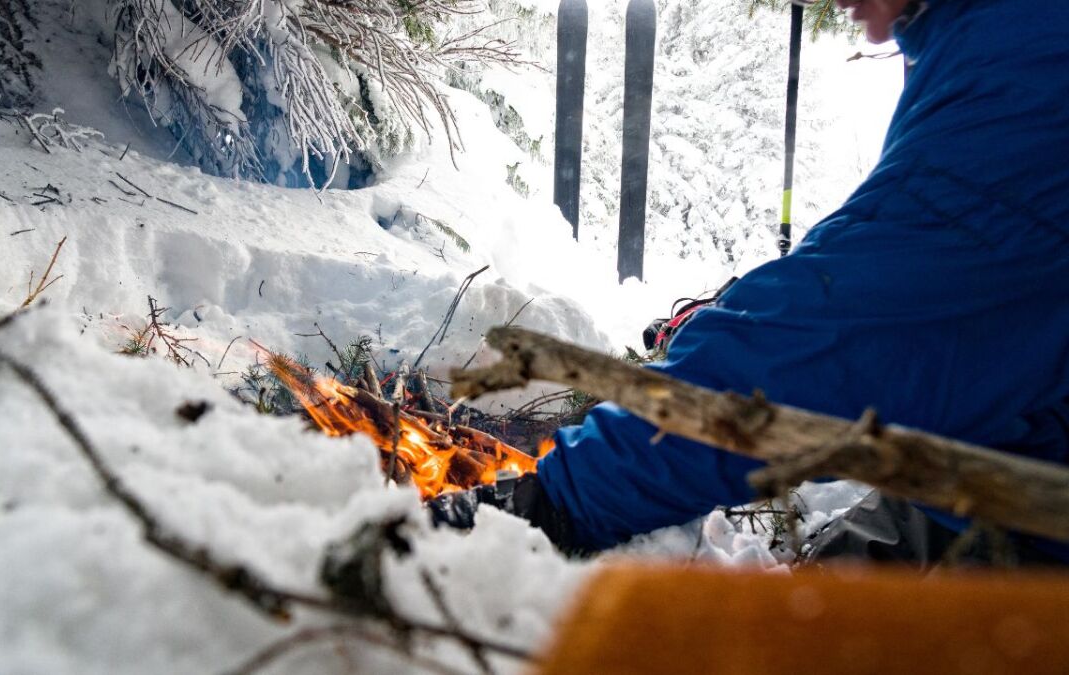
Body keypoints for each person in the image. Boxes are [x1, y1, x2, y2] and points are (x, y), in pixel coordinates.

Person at [432, 0, 1069, 564]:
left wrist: (561, 498)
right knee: (825, 590)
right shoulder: (982, 38)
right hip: (1024, 469)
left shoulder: (1029, 61)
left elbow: (834, 338)